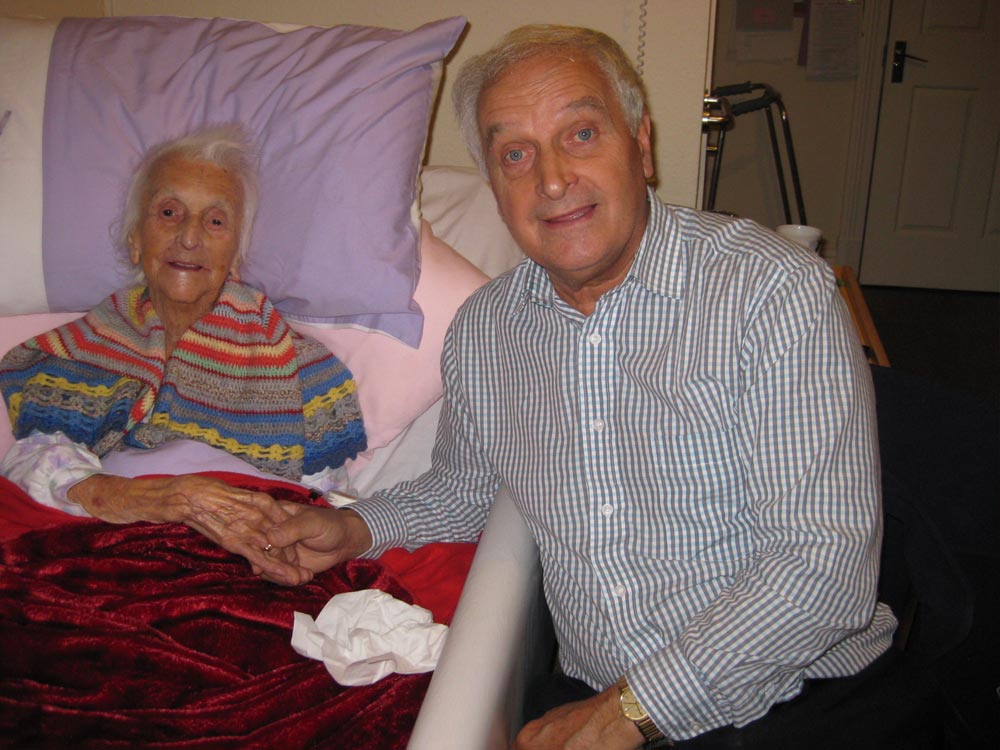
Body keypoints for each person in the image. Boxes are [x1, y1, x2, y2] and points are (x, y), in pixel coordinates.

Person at [260, 25, 898, 749]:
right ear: (496, 189)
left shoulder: (773, 294)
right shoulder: (485, 332)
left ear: (643, 146)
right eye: (516, 155)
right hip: (601, 692)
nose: (553, 179)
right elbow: (467, 489)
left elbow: (824, 568)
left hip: (798, 697)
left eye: (583, 134)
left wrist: (629, 712)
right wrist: (354, 527)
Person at [0, 125, 366, 580]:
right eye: (169, 212)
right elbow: (31, 464)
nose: (190, 237)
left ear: (236, 254)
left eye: (215, 221)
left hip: (244, 566)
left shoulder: (305, 373)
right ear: (136, 239)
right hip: (111, 550)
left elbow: (332, 509)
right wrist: (157, 500)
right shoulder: (73, 356)